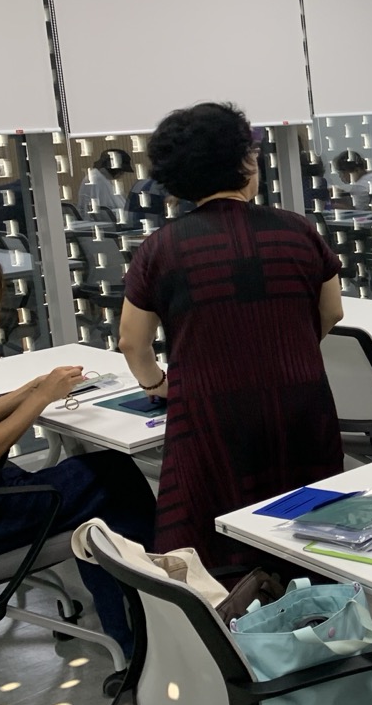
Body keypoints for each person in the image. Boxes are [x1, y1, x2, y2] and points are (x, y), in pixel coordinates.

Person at [118, 102, 345, 569]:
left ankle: (231, 606)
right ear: (245, 162)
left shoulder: (160, 248)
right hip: (301, 401)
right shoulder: (298, 230)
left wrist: (156, 384)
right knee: (310, 529)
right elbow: (332, 310)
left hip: (209, 411)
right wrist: (289, 348)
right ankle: (313, 602)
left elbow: (132, 342)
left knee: (209, 537)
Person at [0, 249, 155, 655]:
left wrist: (30, 389)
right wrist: (42, 397)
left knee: (102, 472)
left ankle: (130, 622)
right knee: (115, 481)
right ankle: (137, 634)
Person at [77, 148, 134, 216]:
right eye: (121, 171)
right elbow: (104, 211)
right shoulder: (98, 180)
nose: (122, 174)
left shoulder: (100, 177)